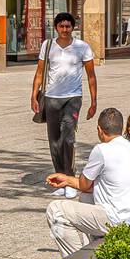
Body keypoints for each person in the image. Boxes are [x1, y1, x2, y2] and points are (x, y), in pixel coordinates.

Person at [45, 107, 130, 258]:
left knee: (56, 210)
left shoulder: (102, 149)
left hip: (118, 219)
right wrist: (67, 180)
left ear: (100, 130)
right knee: (86, 198)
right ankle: (94, 252)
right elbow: (89, 189)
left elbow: (84, 184)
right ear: (120, 129)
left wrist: (68, 179)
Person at [31, 13, 97, 196]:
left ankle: (70, 179)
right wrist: (33, 95)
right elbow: (40, 71)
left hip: (73, 98)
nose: (65, 30)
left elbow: (91, 76)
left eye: (68, 26)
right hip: (51, 97)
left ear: (73, 27)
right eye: (62, 26)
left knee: (68, 137)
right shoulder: (48, 45)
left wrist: (93, 101)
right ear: (56, 27)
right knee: (54, 140)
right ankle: (60, 178)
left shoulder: (82, 47)